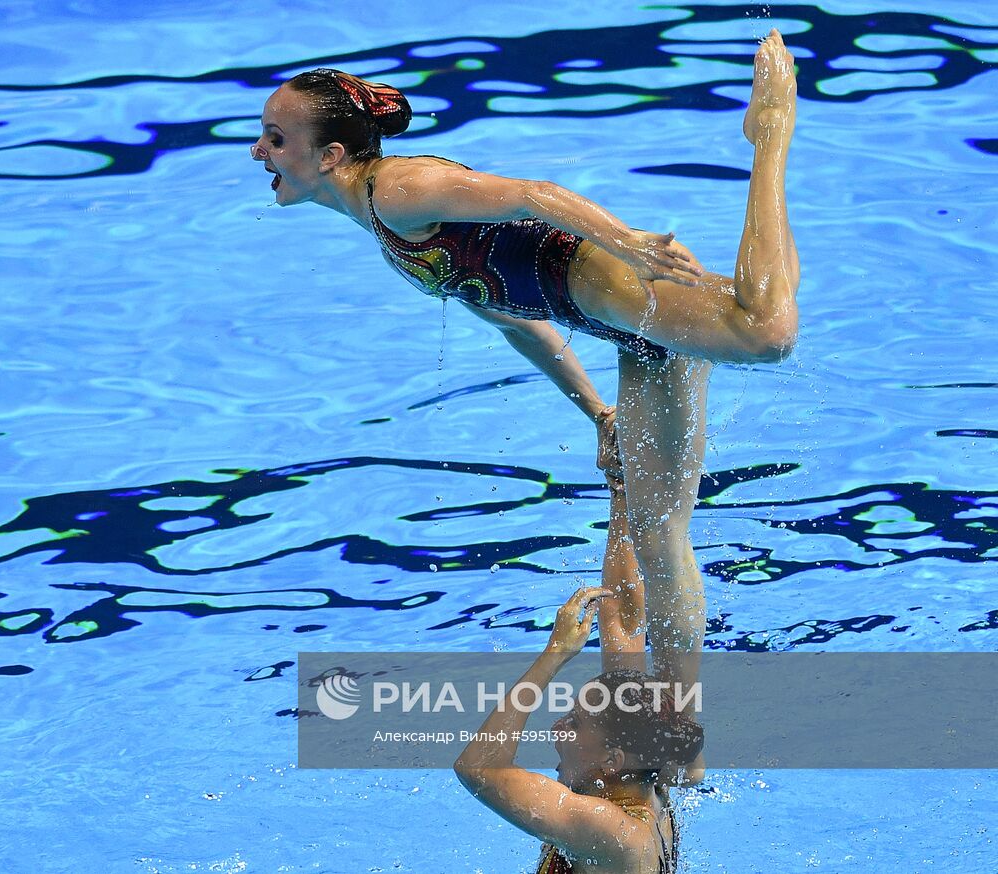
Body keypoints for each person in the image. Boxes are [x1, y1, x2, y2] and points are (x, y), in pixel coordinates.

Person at [250, 31, 800, 693]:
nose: (259, 150)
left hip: (617, 283)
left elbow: (531, 193)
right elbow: (513, 318)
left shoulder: (399, 189)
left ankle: (770, 130)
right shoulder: (379, 225)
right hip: (630, 333)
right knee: (658, 536)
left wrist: (627, 242)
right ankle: (676, 720)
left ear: (330, 153)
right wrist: (598, 411)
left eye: (275, 138)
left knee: (767, 332)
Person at [452, 474, 703, 872]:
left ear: (612, 759)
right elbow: (623, 623)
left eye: (576, 723)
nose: (557, 727)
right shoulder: (653, 781)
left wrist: (553, 655)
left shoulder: (613, 832)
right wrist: (621, 489)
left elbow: (478, 768)